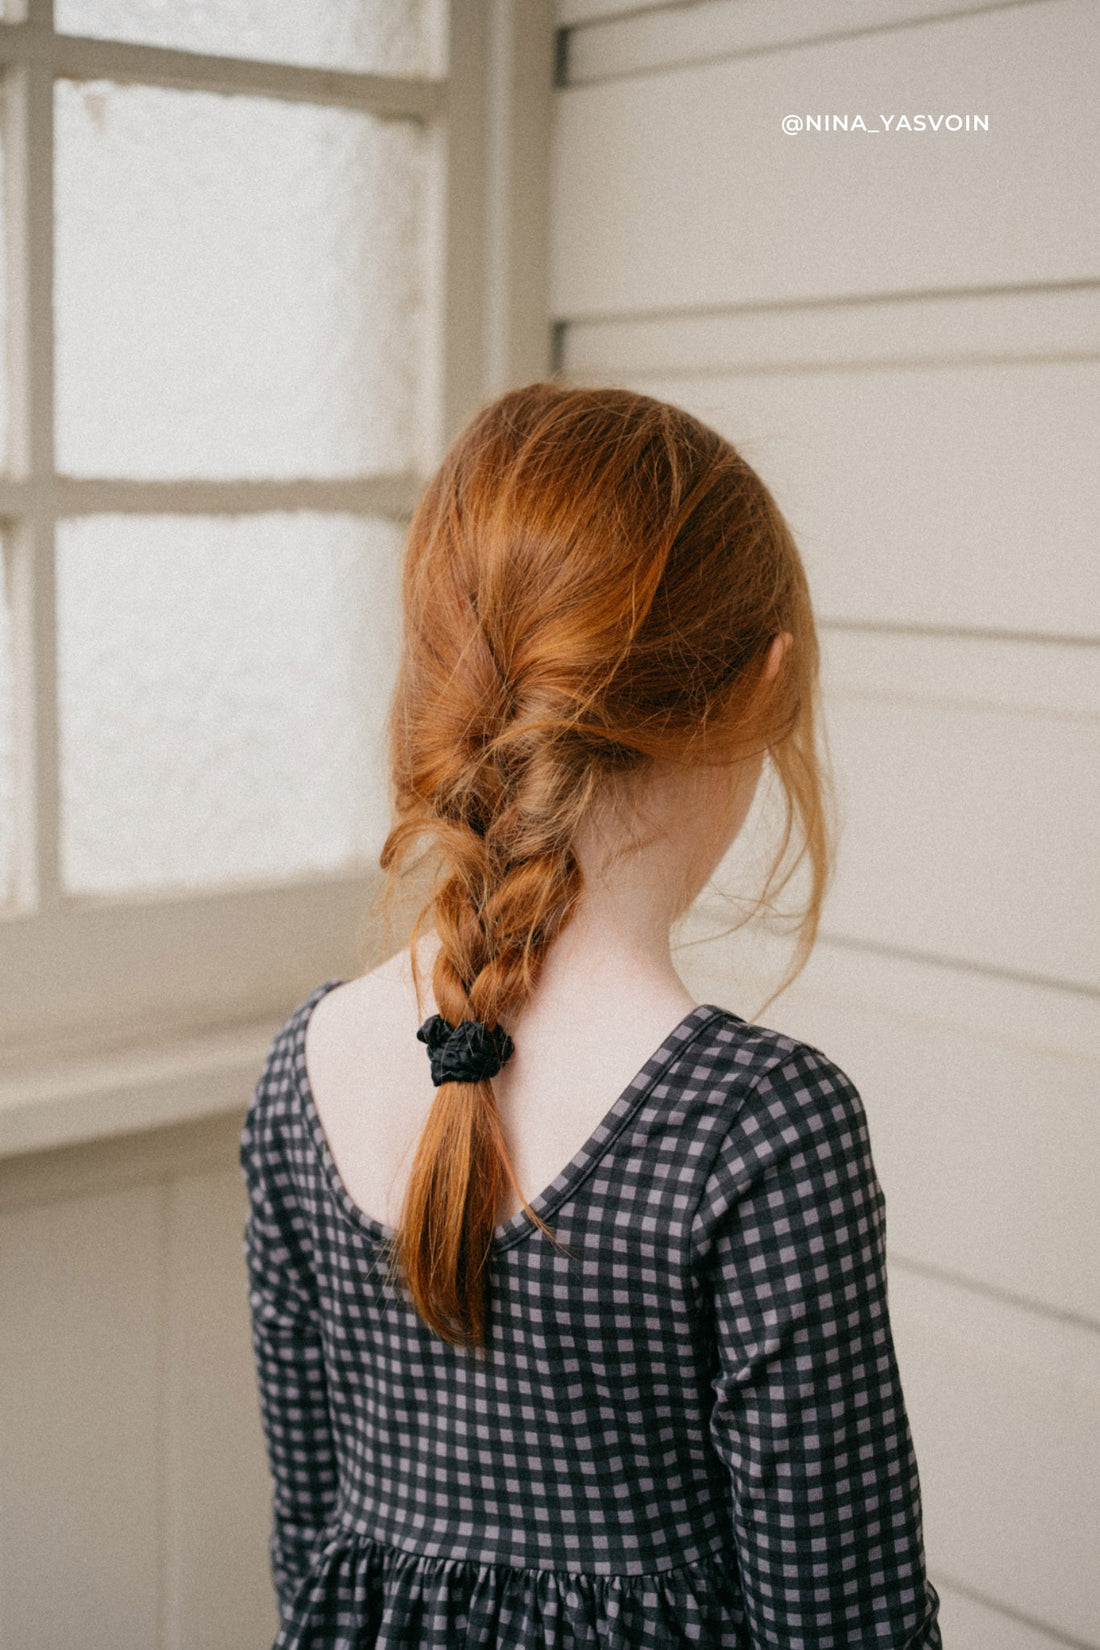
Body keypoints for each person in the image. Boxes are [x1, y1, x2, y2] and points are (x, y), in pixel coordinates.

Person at [239, 382, 942, 1648]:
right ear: (758, 685)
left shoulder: (303, 1073)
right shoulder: (757, 1129)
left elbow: (311, 1563)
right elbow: (846, 1626)